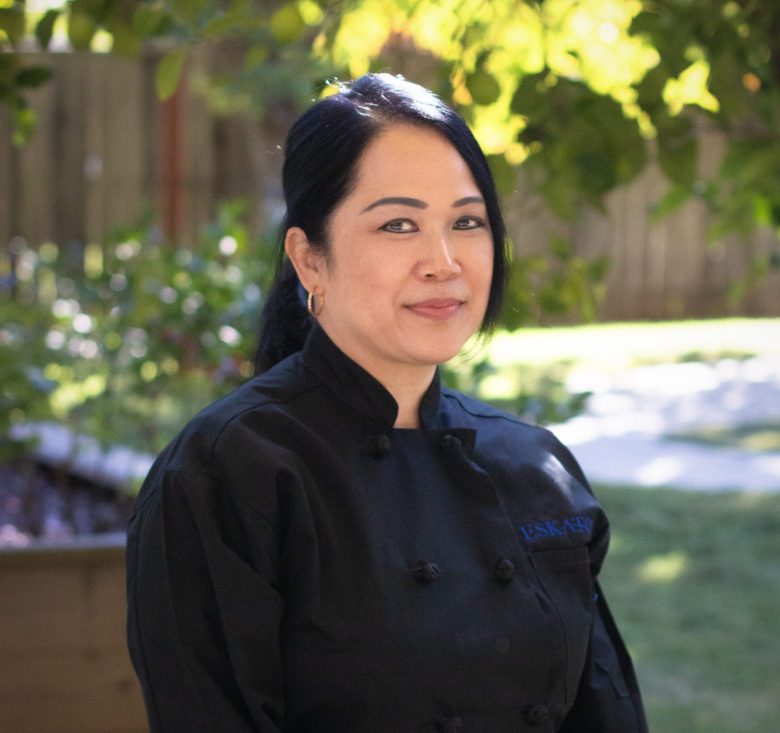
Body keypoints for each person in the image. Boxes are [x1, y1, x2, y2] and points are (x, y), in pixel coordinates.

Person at [126, 73, 648, 733]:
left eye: (467, 221)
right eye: (399, 224)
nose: (443, 260)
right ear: (309, 259)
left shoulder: (534, 467)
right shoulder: (227, 473)